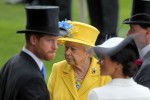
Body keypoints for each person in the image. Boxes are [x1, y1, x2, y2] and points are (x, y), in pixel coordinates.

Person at [0, 6, 64, 100]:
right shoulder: (33, 80)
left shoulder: (11, 62)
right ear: (33, 40)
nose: (55, 47)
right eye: (50, 40)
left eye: (56, 41)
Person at [47, 20, 111, 100]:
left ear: (88, 52)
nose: (67, 53)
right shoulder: (58, 69)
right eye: (66, 47)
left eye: (73, 49)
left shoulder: (104, 73)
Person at [88, 34, 150, 100]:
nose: (98, 62)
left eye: (103, 58)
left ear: (117, 63)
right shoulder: (146, 93)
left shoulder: (97, 94)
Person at [123, 0, 150, 88]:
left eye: (132, 29)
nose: (128, 34)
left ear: (148, 32)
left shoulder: (148, 66)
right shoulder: (145, 60)